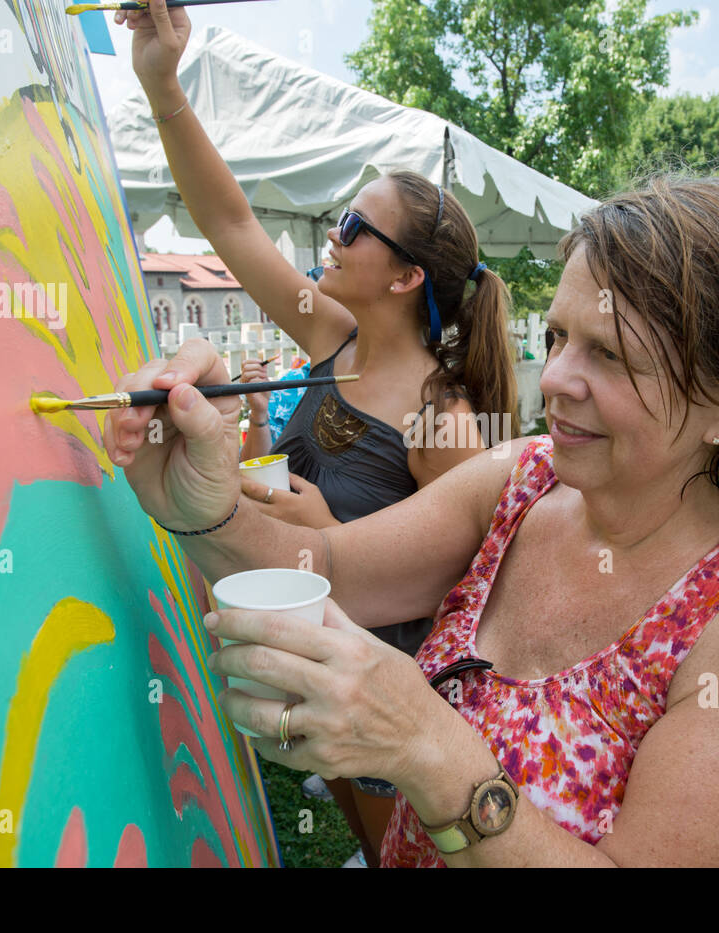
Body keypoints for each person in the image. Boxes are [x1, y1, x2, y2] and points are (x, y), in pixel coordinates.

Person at [103, 171, 719, 867]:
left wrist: (426, 746)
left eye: (612, 355)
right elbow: (325, 568)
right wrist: (202, 508)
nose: (555, 378)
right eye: (558, 337)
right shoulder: (522, 479)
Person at [113, 0, 519, 867]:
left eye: (351, 227)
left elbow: (464, 582)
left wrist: (321, 529)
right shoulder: (329, 334)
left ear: (407, 275)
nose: (331, 235)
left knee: (402, 839)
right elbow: (230, 224)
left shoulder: (442, 415)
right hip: (308, 632)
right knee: (347, 803)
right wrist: (163, 85)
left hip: (384, 674)